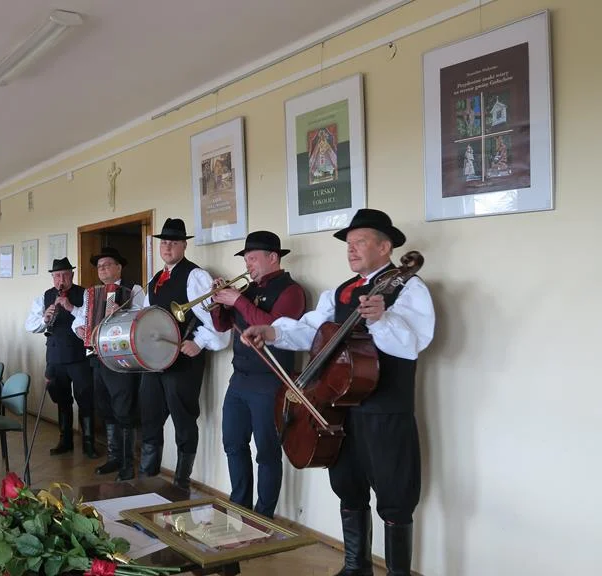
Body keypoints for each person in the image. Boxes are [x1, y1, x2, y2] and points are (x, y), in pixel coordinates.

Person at [242, 209, 435, 576]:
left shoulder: (408, 287)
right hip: (338, 410)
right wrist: (271, 332)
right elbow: (312, 331)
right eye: (349, 244)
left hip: (385, 410)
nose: (351, 250)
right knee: (348, 487)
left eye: (360, 242)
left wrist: (383, 319)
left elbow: (413, 345)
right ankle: (355, 567)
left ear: (385, 246)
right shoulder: (341, 291)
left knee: (394, 497)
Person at [209, 231, 306, 518]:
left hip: (271, 381)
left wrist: (237, 300)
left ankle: (264, 516)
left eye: (252, 258)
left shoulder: (292, 291)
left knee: (266, 451)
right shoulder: (247, 291)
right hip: (239, 379)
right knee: (233, 443)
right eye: (246, 259)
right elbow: (222, 326)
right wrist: (218, 303)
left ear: (273, 258)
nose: (247, 264)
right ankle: (239, 506)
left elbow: (276, 327)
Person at [139, 218, 229, 490]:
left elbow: (215, 322)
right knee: (150, 419)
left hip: (183, 362)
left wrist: (198, 343)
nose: (167, 247)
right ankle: (147, 480)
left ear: (183, 246)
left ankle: (181, 483)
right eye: (164, 242)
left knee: (183, 421)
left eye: (173, 242)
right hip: (154, 363)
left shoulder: (195, 276)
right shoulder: (155, 279)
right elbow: (146, 317)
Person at [71, 246, 144, 480]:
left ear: (119, 267)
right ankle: (114, 457)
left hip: (120, 359)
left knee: (123, 409)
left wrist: (121, 315)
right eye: (99, 266)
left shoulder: (133, 290)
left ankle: (127, 463)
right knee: (105, 408)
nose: (102, 269)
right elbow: (81, 318)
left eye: (107, 265)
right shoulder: (91, 293)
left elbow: (142, 319)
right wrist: (79, 328)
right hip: (96, 358)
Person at [25, 257, 97, 458]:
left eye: (65, 274)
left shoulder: (85, 294)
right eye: (57, 276)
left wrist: (70, 307)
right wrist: (45, 318)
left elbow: (91, 320)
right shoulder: (44, 297)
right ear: (52, 278)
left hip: (79, 356)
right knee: (62, 400)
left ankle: (89, 443)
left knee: (85, 400)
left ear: (72, 275)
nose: (61, 279)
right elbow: (30, 326)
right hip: (55, 356)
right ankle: (65, 440)